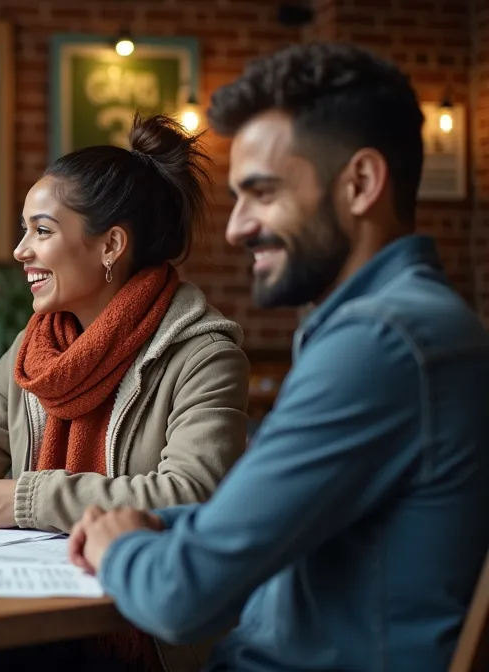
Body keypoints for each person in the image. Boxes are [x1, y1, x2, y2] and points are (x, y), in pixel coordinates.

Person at [70, 43, 489, 671]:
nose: (237, 227)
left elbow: (179, 597)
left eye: (262, 193)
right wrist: (164, 528)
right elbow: (267, 521)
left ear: (360, 184)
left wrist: (116, 546)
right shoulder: (427, 325)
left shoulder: (377, 345)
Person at [0, 114, 251, 672]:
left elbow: (191, 495)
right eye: (24, 231)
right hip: (35, 608)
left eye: (42, 231)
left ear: (111, 245)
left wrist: (29, 500)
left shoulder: (202, 355)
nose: (20, 251)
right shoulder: (34, 348)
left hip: (146, 628)